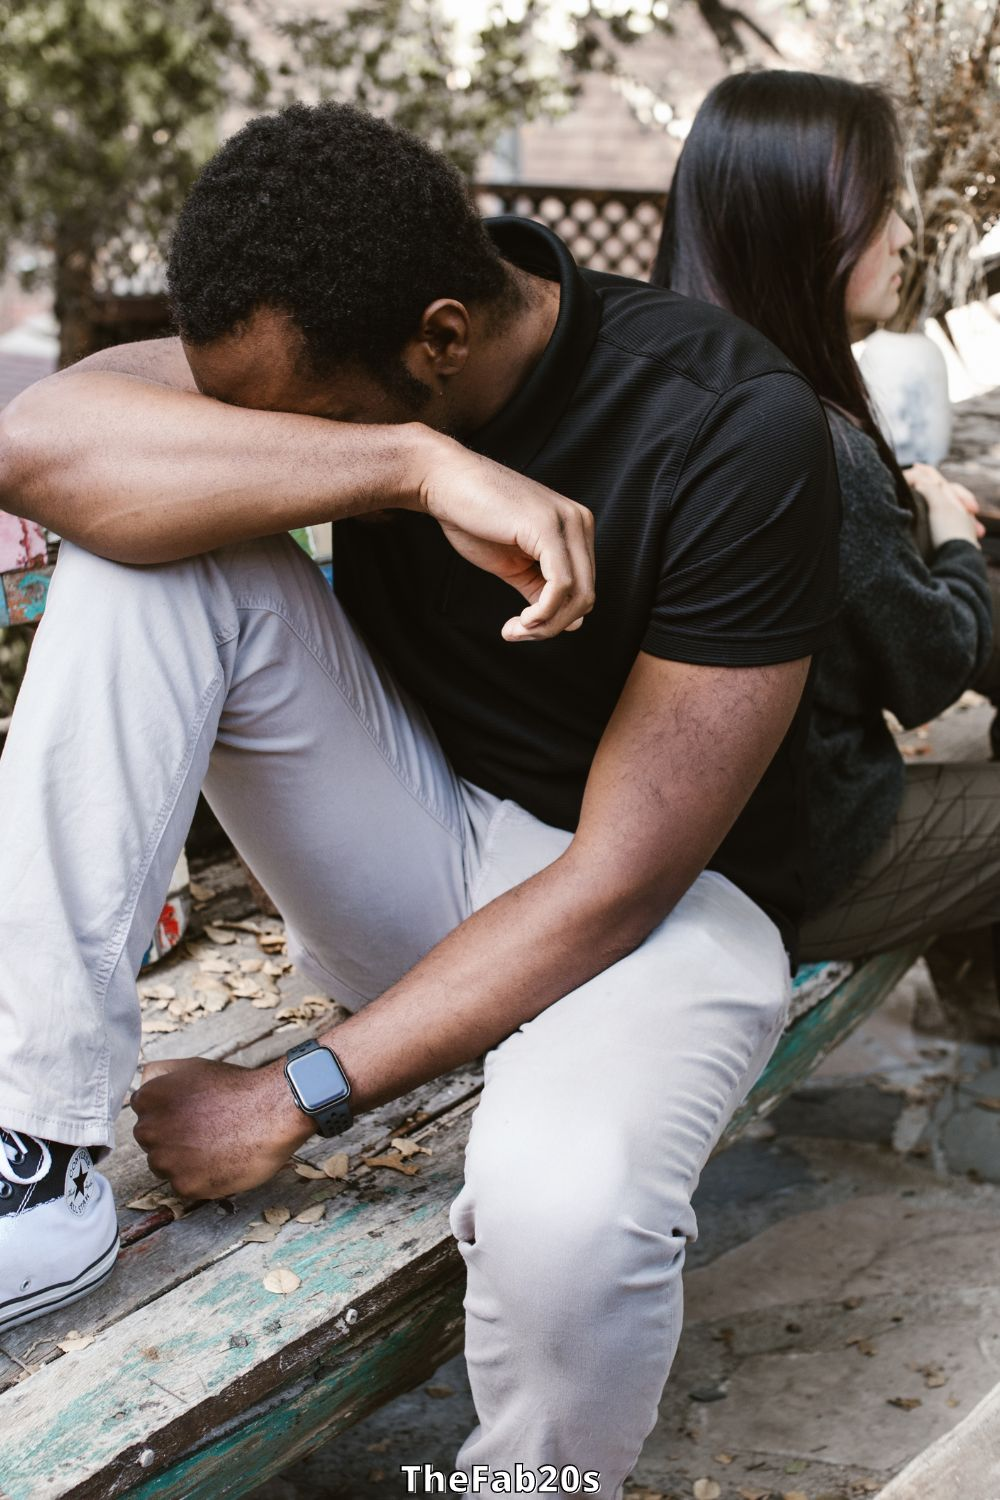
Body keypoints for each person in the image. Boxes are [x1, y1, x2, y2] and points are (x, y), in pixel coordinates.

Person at [0, 104, 838, 1495]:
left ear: (440, 340)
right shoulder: (341, 338)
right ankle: (35, 1144)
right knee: (140, 558)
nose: (266, 449)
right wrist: (406, 462)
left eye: (308, 425)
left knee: (565, 1220)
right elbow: (41, 445)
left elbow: (622, 878)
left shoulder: (728, 427)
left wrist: (291, 1093)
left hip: (658, 924)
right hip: (425, 849)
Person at [652, 69, 1000, 964]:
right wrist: (952, 537)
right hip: (797, 864)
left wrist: (916, 504)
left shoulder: (669, 382)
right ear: (803, 225)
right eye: (883, 204)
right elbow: (929, 673)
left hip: (700, 839)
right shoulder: (803, 442)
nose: (907, 232)